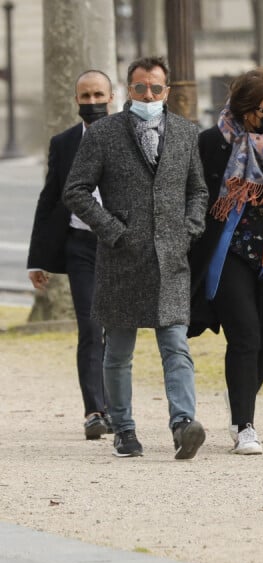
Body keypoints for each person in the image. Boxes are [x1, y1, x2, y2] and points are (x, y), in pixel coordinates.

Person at [63, 56, 209, 460]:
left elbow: (198, 190)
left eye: (156, 89)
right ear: (129, 90)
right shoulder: (105, 133)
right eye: (141, 88)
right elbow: (75, 190)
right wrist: (112, 230)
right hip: (122, 257)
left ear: (167, 92)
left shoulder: (184, 133)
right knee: (119, 352)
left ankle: (183, 424)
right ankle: (124, 429)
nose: (148, 95)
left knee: (176, 346)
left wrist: (190, 227)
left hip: (170, 259)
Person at [188, 68, 263, 455]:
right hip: (229, 252)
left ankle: (239, 392)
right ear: (248, 111)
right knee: (246, 337)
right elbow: (196, 196)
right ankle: (244, 426)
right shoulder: (212, 142)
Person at [27, 69, 115, 440]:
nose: (92, 103)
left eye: (98, 95)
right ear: (76, 100)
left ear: (111, 97)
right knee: (91, 328)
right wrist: (37, 258)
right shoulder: (63, 144)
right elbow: (49, 200)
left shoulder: (127, 136)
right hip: (80, 247)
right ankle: (95, 410)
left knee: (119, 330)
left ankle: (118, 409)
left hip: (121, 246)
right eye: (86, 96)